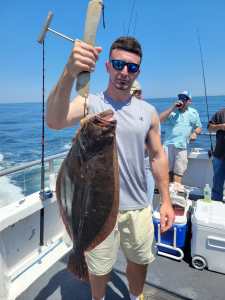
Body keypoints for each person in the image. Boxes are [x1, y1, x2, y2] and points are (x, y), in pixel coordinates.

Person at [47, 36, 174, 300]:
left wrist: (166, 200)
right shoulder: (89, 104)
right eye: (118, 64)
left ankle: (136, 296)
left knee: (140, 260)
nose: (124, 72)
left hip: (138, 205)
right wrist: (69, 72)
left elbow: (158, 156)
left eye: (132, 67)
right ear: (107, 66)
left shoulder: (148, 111)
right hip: (96, 205)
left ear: (138, 71)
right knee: (99, 266)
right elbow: (55, 120)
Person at [159, 91, 202, 184]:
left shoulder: (193, 113)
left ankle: (175, 192)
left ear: (189, 101)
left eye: (184, 98)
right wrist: (172, 108)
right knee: (166, 171)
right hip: (167, 145)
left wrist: (195, 133)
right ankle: (168, 191)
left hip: (182, 145)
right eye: (180, 98)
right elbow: (159, 120)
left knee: (179, 171)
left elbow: (199, 127)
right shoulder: (172, 112)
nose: (182, 100)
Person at [130, 80, 155, 206]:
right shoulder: (123, 111)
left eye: (139, 93)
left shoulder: (147, 111)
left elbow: (152, 140)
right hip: (128, 163)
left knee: (146, 194)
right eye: (136, 93)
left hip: (144, 160)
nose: (139, 96)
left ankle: (148, 207)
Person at [208, 108, 225, 201]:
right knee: (218, 182)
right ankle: (216, 203)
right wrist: (221, 126)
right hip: (219, 154)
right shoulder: (220, 113)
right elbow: (209, 128)